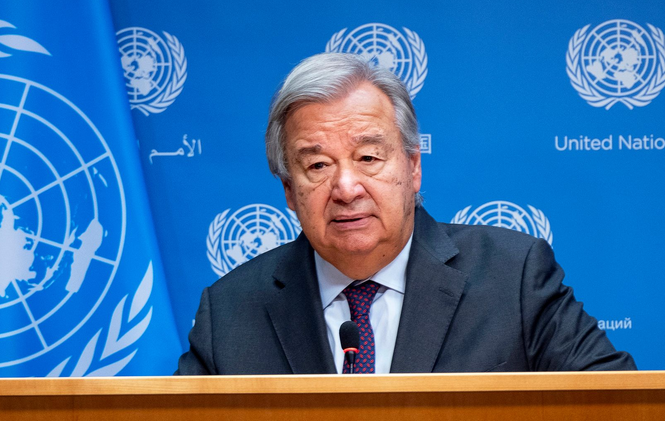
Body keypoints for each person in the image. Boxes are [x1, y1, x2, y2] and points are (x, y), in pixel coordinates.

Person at [176, 53, 635, 374]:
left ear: (413, 168)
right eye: (317, 165)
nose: (346, 187)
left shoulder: (513, 279)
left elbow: (616, 408)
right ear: (290, 192)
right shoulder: (232, 312)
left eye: (369, 158)